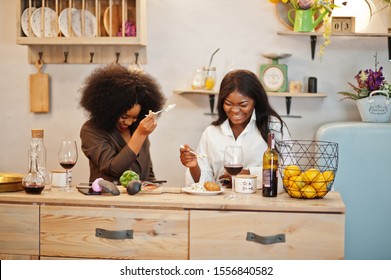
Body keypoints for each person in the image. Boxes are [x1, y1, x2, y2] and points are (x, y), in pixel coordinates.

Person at [179, 69, 291, 188]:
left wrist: (248, 175)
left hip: (261, 204)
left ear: (256, 101)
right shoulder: (211, 133)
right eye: (228, 103)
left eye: (243, 105)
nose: (235, 111)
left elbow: (289, 172)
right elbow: (203, 183)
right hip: (220, 204)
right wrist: (194, 166)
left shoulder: (273, 127)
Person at [79, 64, 166, 183]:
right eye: (124, 116)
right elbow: (113, 169)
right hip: (109, 198)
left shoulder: (137, 128)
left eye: (135, 117)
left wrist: (154, 190)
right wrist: (140, 135)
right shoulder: (91, 130)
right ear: (111, 110)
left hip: (139, 199)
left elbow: (148, 173)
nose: (129, 122)